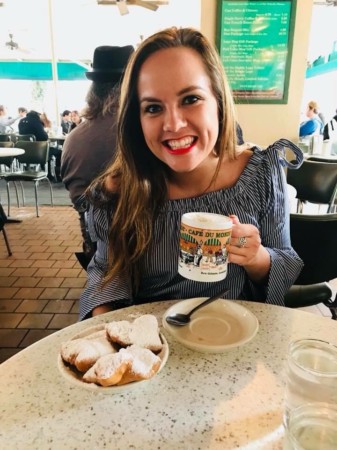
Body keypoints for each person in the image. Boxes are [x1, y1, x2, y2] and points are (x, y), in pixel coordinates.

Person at [79, 27, 304, 321]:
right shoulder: (119, 190)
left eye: (190, 99)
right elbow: (107, 272)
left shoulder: (261, 172)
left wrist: (256, 257)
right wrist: (105, 331)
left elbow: (284, 267)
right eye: (153, 107)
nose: (172, 124)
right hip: (153, 348)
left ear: (219, 102)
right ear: (137, 119)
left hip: (235, 341)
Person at [61, 45, 134, 265]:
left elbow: (76, 196)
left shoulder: (74, 136)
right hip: (141, 247)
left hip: (93, 246)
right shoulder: (136, 133)